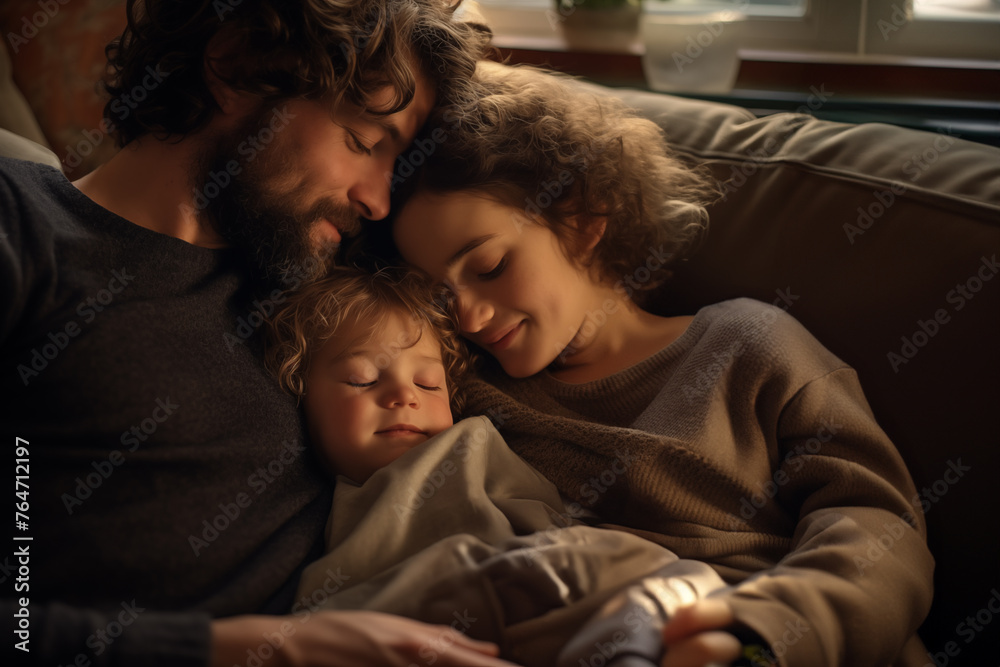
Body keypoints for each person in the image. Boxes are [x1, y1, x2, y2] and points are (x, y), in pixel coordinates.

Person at [0, 1, 513, 666]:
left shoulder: (332, 280)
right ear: (237, 65)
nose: (378, 199)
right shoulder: (25, 228)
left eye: (398, 164)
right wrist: (245, 648)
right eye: (362, 141)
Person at [382, 61, 936, 667]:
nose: (468, 319)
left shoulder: (746, 344)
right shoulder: (471, 398)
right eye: (440, 295)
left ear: (584, 218)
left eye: (489, 267)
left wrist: (770, 631)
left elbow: (880, 524)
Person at [264, 264, 740, 667]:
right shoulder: (320, 507)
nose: (404, 396)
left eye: (429, 385)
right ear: (301, 398)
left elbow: (551, 523)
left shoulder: (470, 442)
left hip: (521, 593)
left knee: (673, 576)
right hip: (404, 616)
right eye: (362, 379)